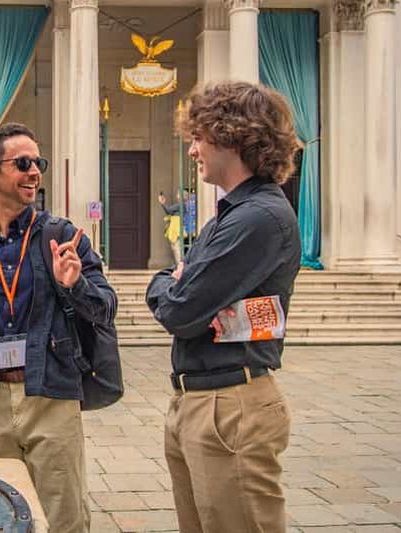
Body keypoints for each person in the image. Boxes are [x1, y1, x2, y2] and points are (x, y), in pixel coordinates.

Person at [145, 81, 302, 533]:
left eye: (199, 137)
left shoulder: (257, 218)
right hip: (202, 401)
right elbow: (181, 294)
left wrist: (166, 284)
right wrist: (171, 283)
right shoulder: (233, 214)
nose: (192, 149)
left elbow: (179, 311)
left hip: (229, 407)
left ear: (231, 136)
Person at [0, 123, 117, 532]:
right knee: (3, 514)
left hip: (51, 393)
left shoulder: (63, 236)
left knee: (63, 517)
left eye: (39, 163)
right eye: (23, 163)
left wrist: (75, 284)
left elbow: (106, 307)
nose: (35, 172)